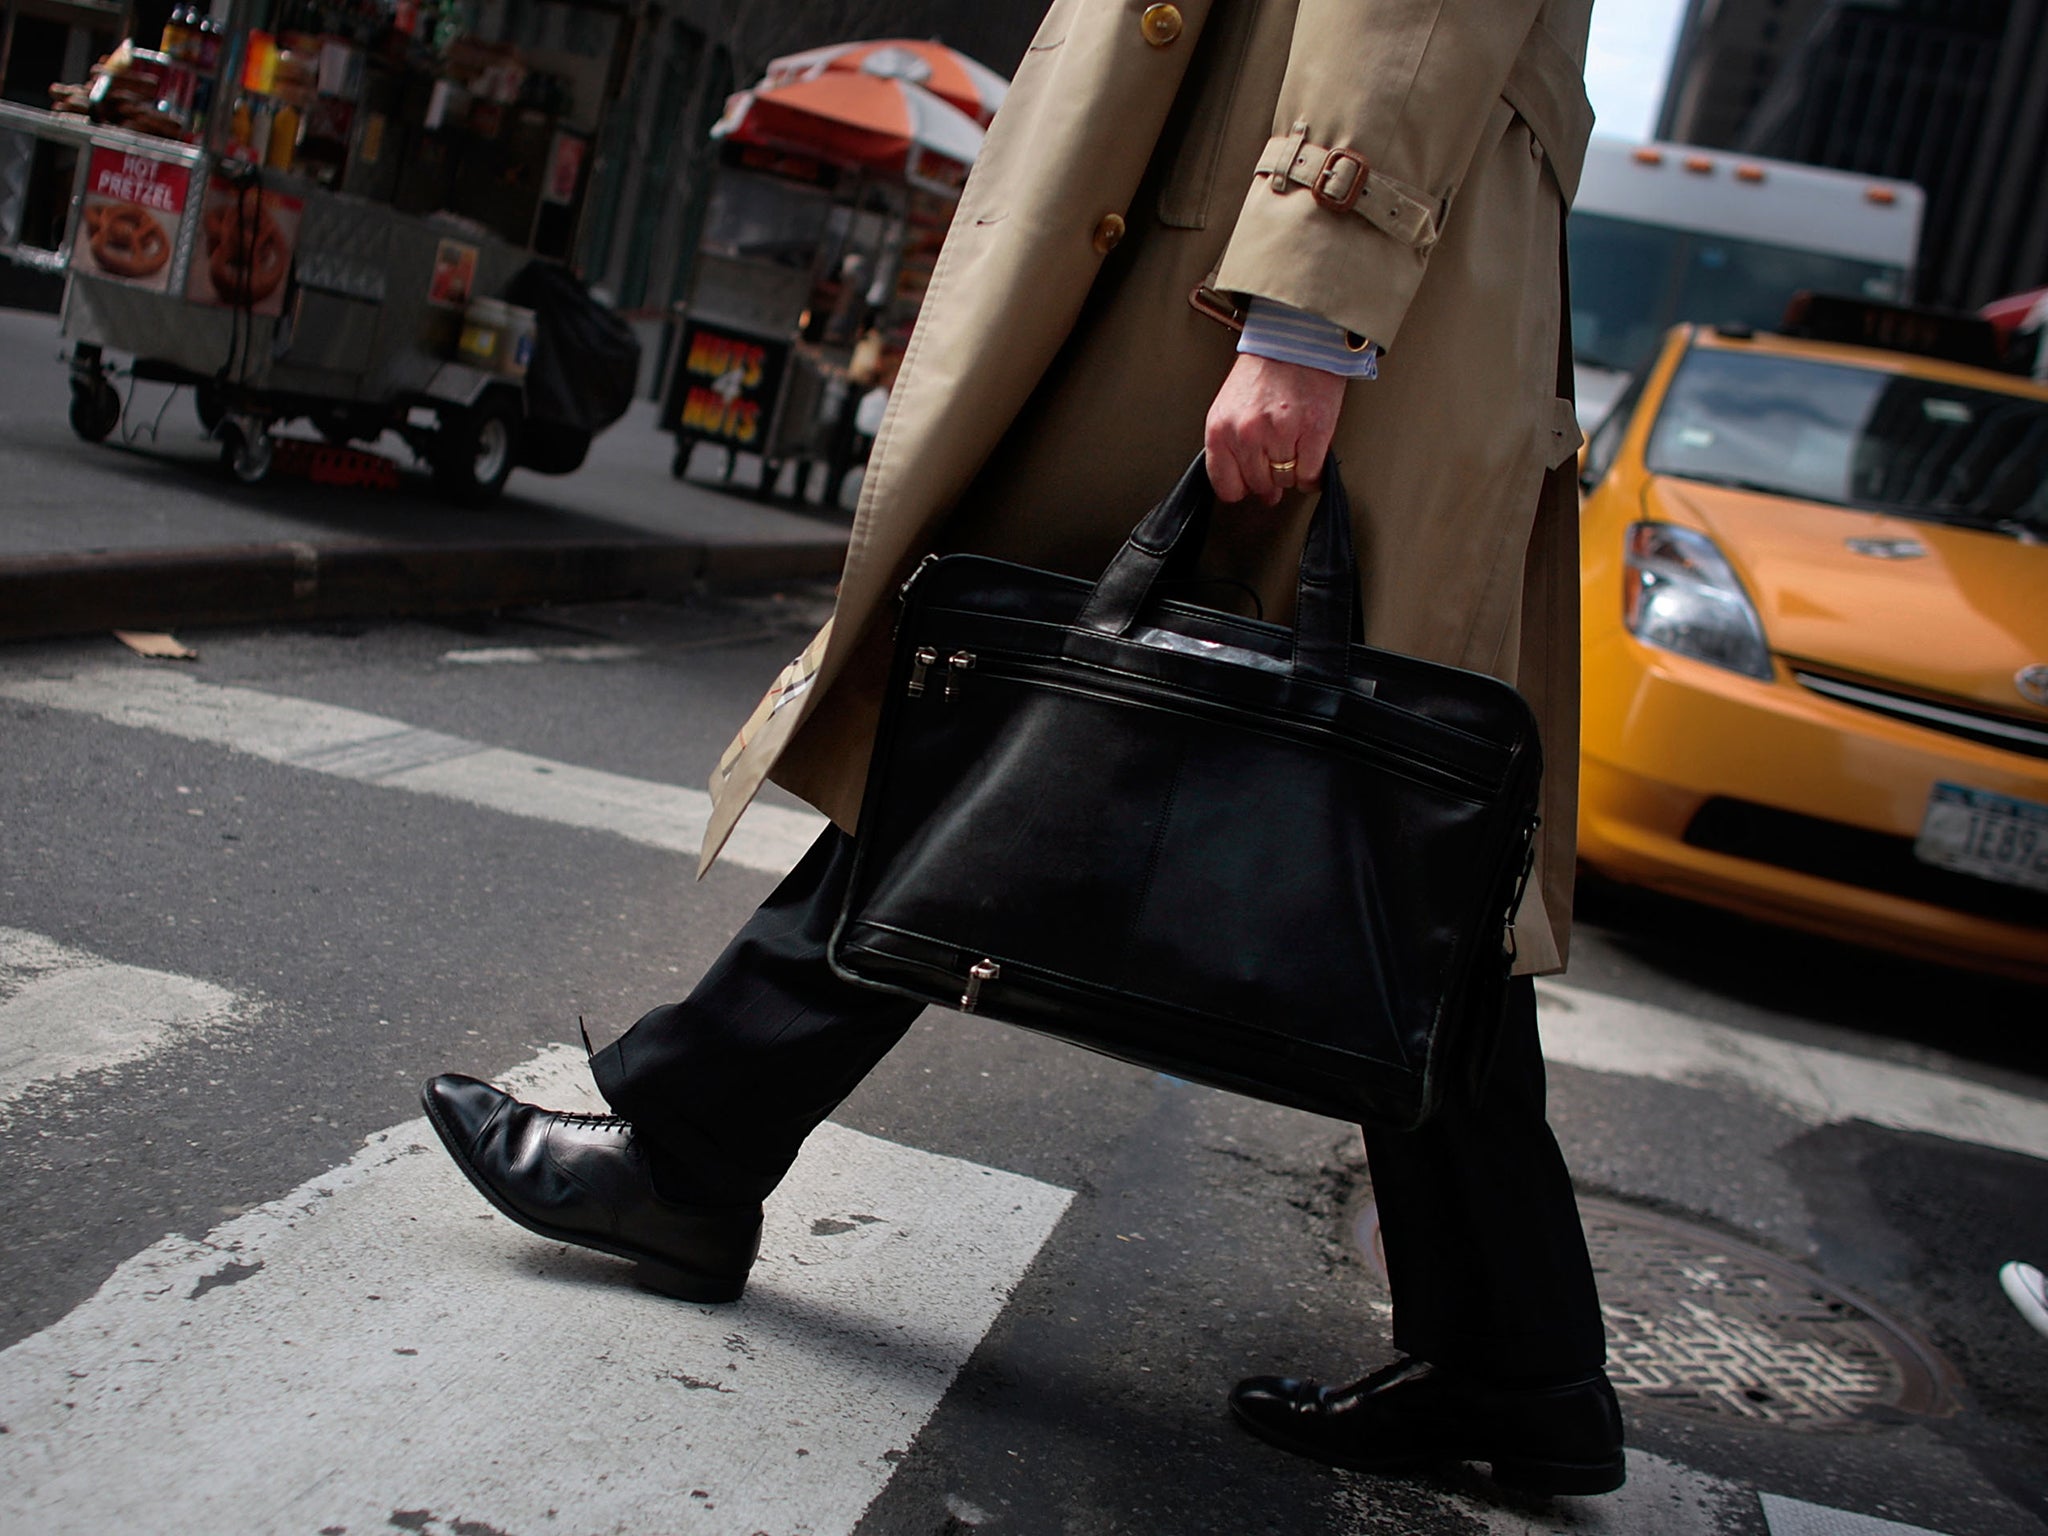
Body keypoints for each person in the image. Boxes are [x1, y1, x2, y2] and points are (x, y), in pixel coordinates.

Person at [422, 0, 1623, 1497]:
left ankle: (689, 1151)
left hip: (1291, 265)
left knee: (1029, 713)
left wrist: (1312, 307)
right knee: (1347, 836)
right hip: (1291, 244)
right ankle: (1516, 1362)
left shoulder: (1310, 295)